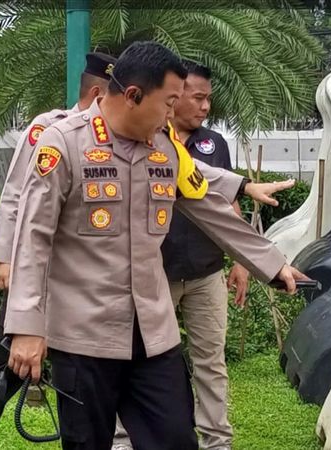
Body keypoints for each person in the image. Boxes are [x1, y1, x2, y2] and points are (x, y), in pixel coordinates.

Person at [5, 41, 308, 450]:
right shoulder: (65, 144)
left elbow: (207, 205)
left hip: (152, 334)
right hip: (84, 336)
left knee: (175, 439)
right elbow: (32, 237)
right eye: (168, 103)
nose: (173, 114)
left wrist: (272, 264)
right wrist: (26, 325)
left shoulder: (165, 149)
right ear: (132, 95)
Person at [111, 60, 296, 450]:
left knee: (210, 361)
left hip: (204, 272)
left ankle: (217, 441)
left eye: (208, 99)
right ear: (171, 97)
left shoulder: (213, 145)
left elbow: (217, 203)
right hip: (153, 277)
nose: (205, 106)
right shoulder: (142, 140)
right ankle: (123, 439)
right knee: (133, 358)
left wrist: (247, 262)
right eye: (196, 97)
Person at [0, 52, 117, 450]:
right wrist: (3, 256)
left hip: (83, 281)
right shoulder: (49, 129)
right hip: (35, 269)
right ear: (98, 92)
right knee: (7, 362)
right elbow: (15, 194)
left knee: (78, 371)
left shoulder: (120, 138)